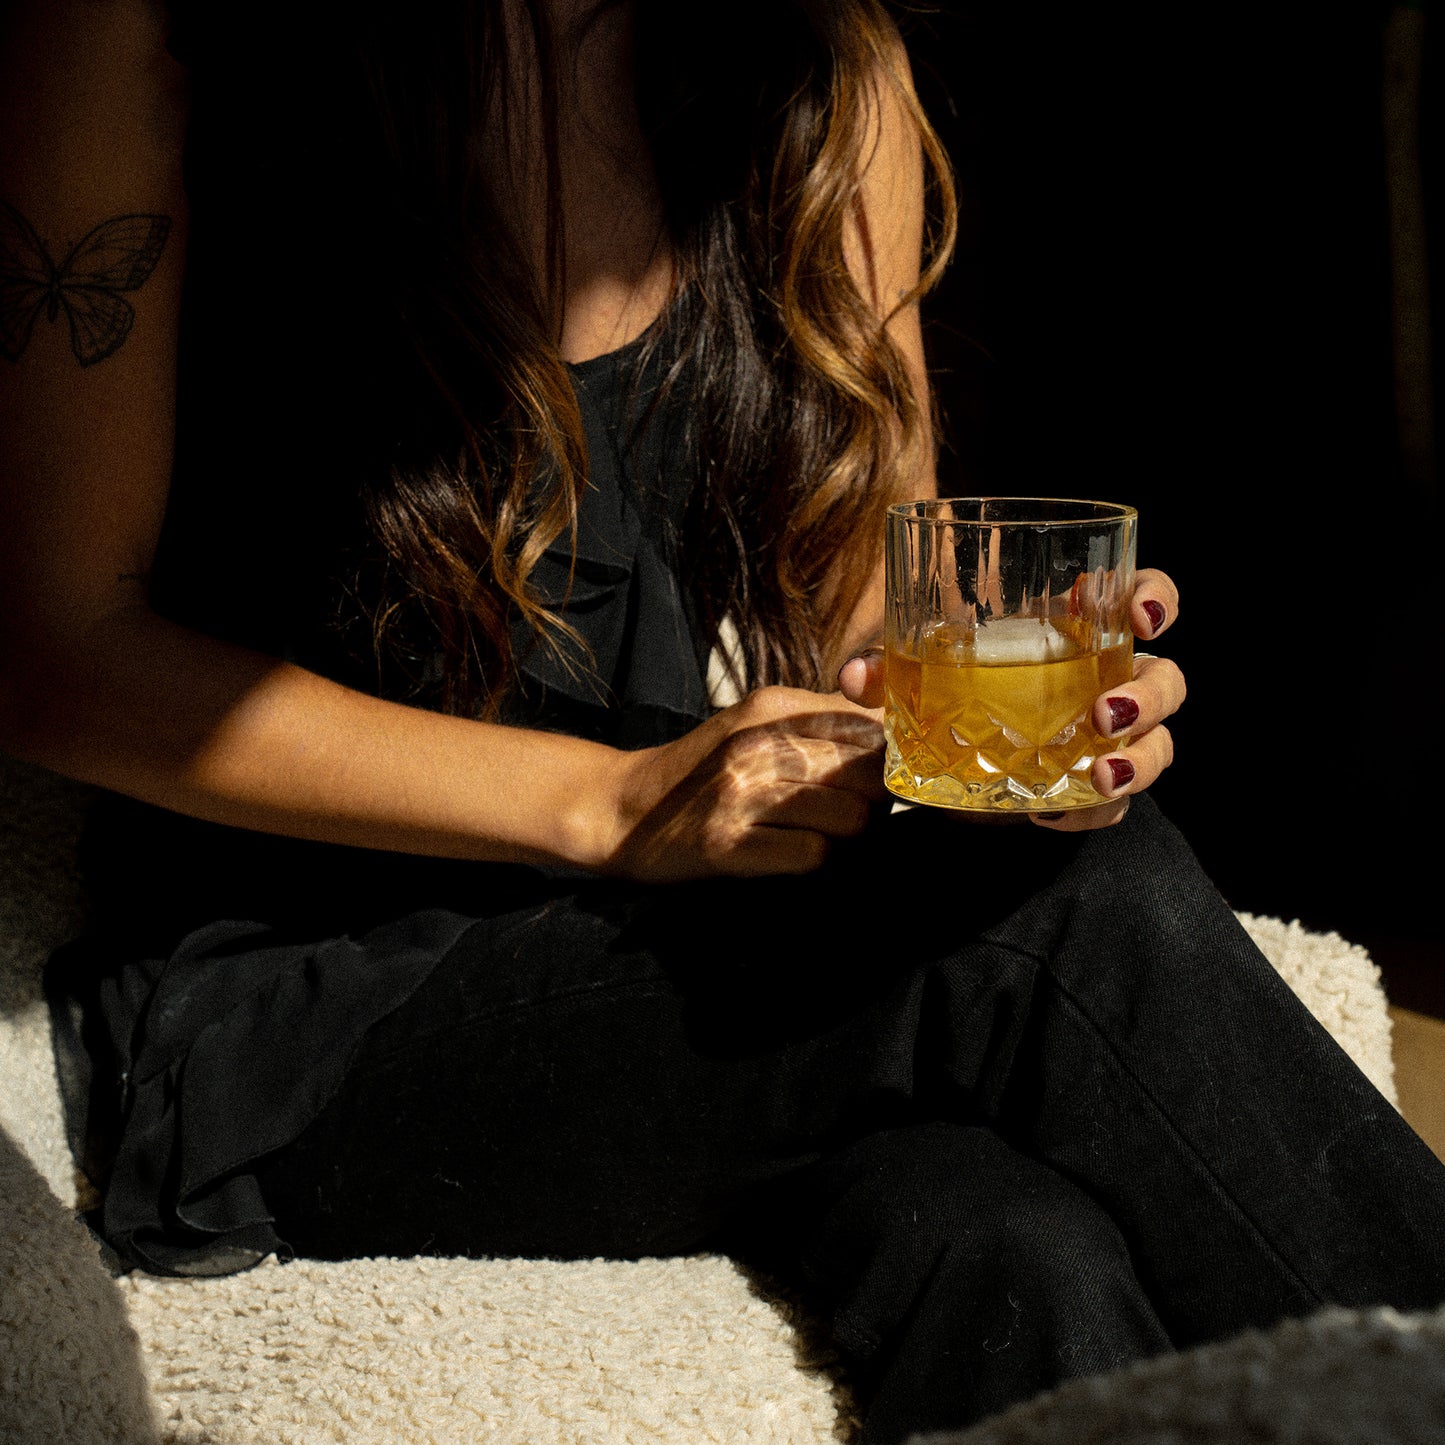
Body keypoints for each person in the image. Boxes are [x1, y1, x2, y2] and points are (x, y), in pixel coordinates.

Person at [3, 2, 1443, 1441]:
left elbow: (875, 627)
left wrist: (1008, 769)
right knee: (1064, 913)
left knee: (1004, 1234)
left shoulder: (813, 61)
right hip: (287, 1011)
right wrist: (611, 802)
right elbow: (53, 648)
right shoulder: (149, 39)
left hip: (668, 947)